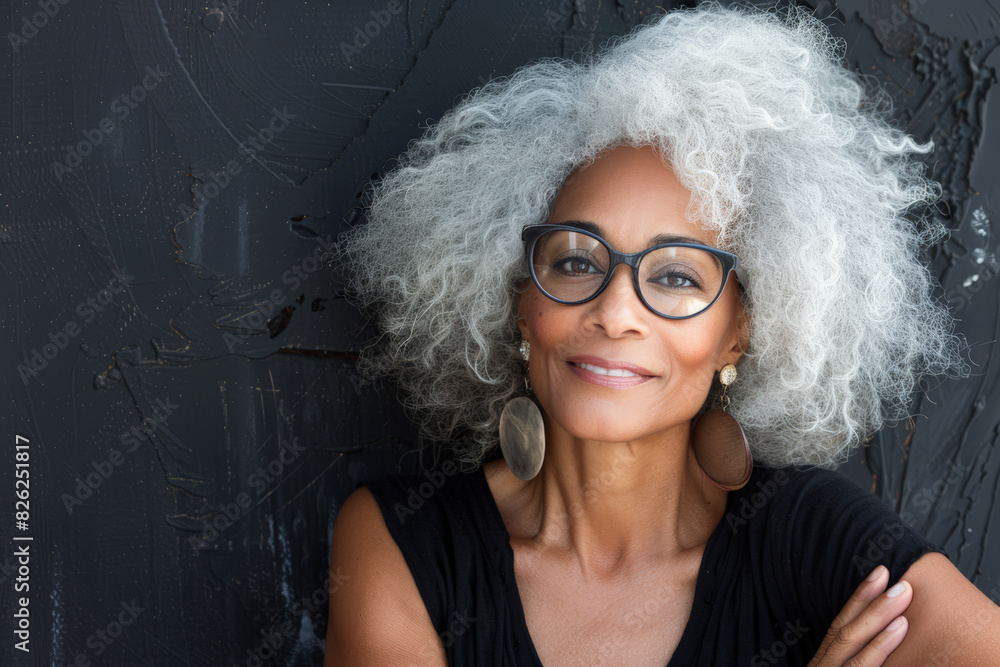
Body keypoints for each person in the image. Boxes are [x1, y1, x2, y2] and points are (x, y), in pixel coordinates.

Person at [324, 2, 1000, 665]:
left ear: (737, 335)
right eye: (576, 260)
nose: (616, 311)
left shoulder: (809, 536)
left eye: (676, 277)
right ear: (522, 301)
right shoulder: (403, 540)